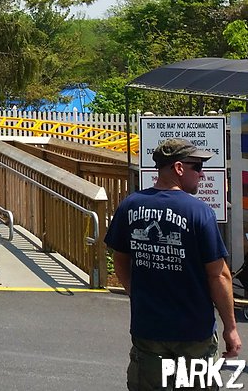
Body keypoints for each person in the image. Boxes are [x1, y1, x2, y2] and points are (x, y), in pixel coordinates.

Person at [105, 139, 240, 390]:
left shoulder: (129, 206)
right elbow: (218, 275)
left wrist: (134, 291)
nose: (201, 173)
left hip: (149, 330)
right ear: (178, 168)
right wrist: (230, 328)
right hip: (194, 332)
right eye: (197, 166)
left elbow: (120, 256)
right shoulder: (199, 212)